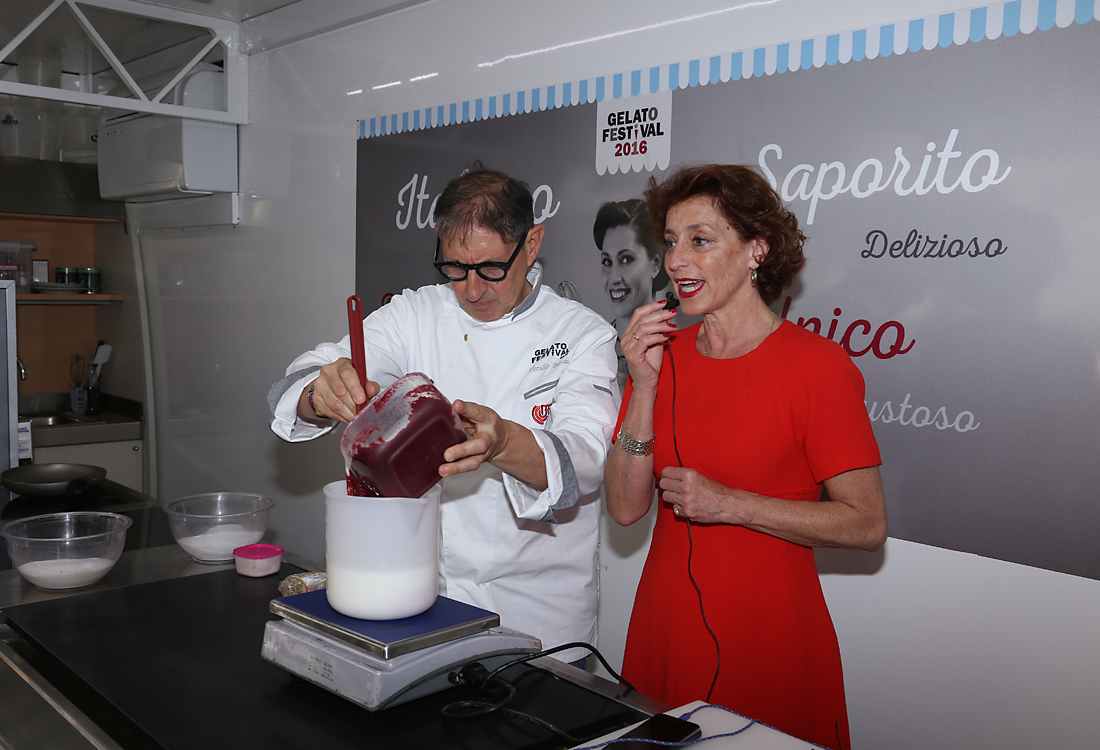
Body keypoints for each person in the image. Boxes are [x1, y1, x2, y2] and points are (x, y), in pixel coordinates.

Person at [268, 167, 620, 665]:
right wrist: (320, 391)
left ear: (532, 243)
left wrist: (503, 443)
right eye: (455, 268)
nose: (472, 289)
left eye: (490, 268)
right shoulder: (416, 314)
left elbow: (586, 461)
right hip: (422, 607)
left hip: (539, 625)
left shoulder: (583, 334)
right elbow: (303, 378)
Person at [604, 164, 887, 748]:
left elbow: (867, 524)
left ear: (757, 249)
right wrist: (644, 388)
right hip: (667, 624)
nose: (676, 261)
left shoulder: (817, 368)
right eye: (671, 243)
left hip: (770, 636)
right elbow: (626, 509)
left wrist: (732, 504)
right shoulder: (661, 356)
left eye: (700, 241)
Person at [593, 199, 670, 390]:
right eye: (607, 262)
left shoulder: (679, 349)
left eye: (626, 259)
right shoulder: (591, 350)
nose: (614, 278)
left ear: (655, 263)